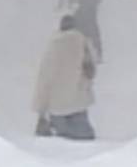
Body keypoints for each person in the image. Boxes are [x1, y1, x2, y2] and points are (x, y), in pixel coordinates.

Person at [33, 13, 99, 141]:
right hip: (77, 102)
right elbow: (90, 71)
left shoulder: (52, 46)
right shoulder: (82, 43)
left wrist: (41, 109)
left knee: (62, 142)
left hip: (56, 106)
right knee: (85, 141)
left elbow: (44, 78)